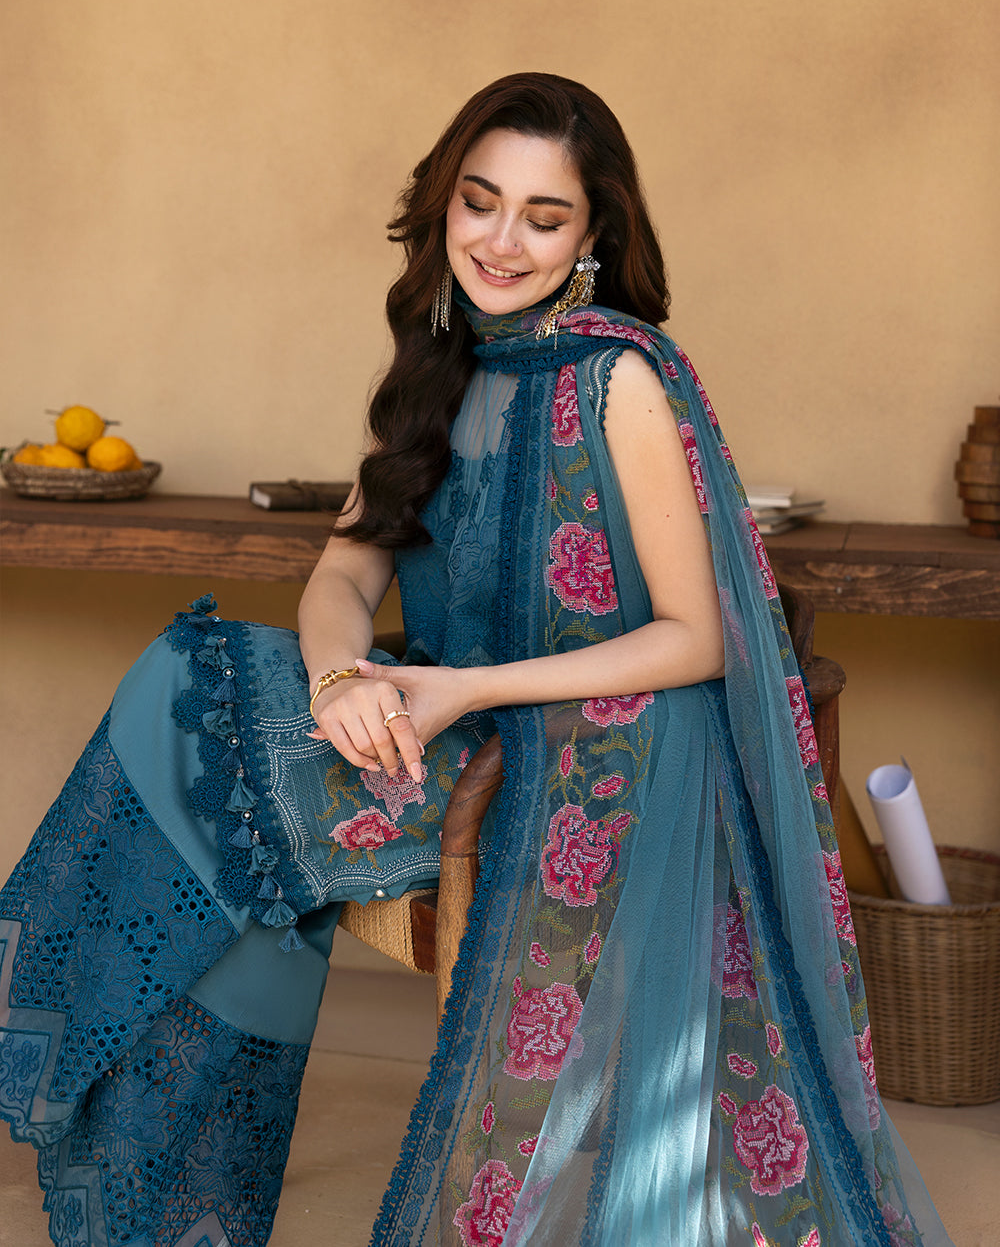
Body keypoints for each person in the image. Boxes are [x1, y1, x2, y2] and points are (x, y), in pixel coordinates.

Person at [1, 74, 952, 1247]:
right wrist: (339, 680)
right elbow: (345, 571)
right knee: (184, 685)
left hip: (589, 750)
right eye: (479, 201)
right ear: (441, 203)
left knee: (229, 809)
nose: (501, 242)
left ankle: (132, 1130)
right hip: (441, 719)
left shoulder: (621, 378)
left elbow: (696, 636)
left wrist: (466, 687)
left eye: (542, 218)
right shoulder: (441, 360)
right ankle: (140, 1143)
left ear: (594, 234)